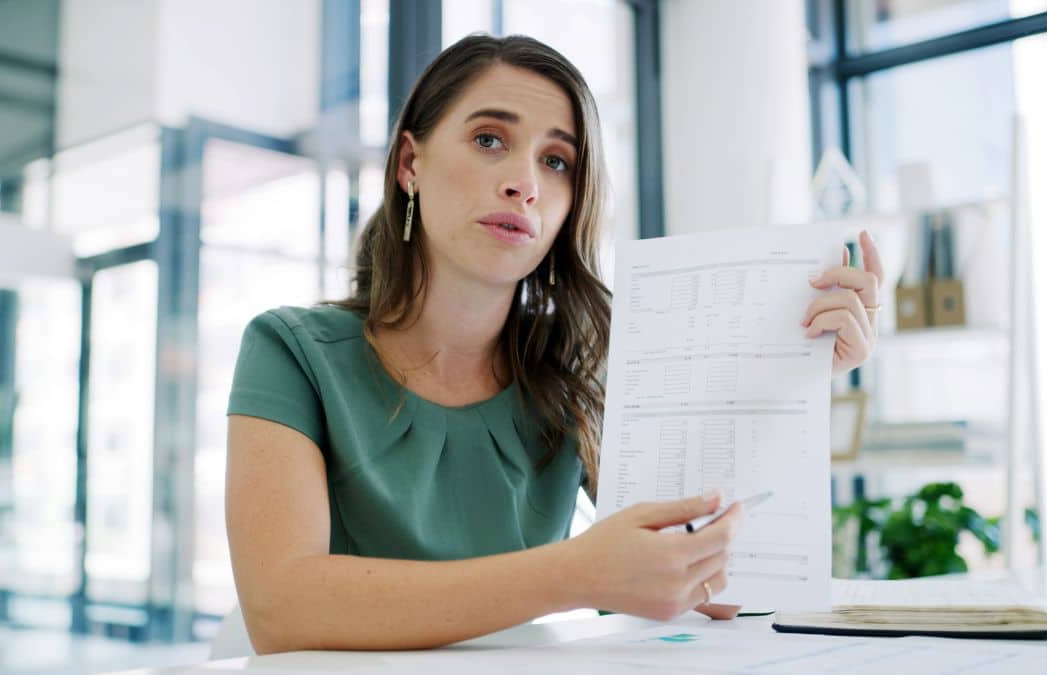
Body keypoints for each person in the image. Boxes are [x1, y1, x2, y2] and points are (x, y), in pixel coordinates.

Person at [225, 34, 884, 654]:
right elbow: (281, 610)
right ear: (409, 164)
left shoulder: (577, 372)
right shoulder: (290, 351)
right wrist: (575, 572)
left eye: (556, 160)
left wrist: (791, 374)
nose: (525, 183)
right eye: (489, 139)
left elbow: (713, 589)